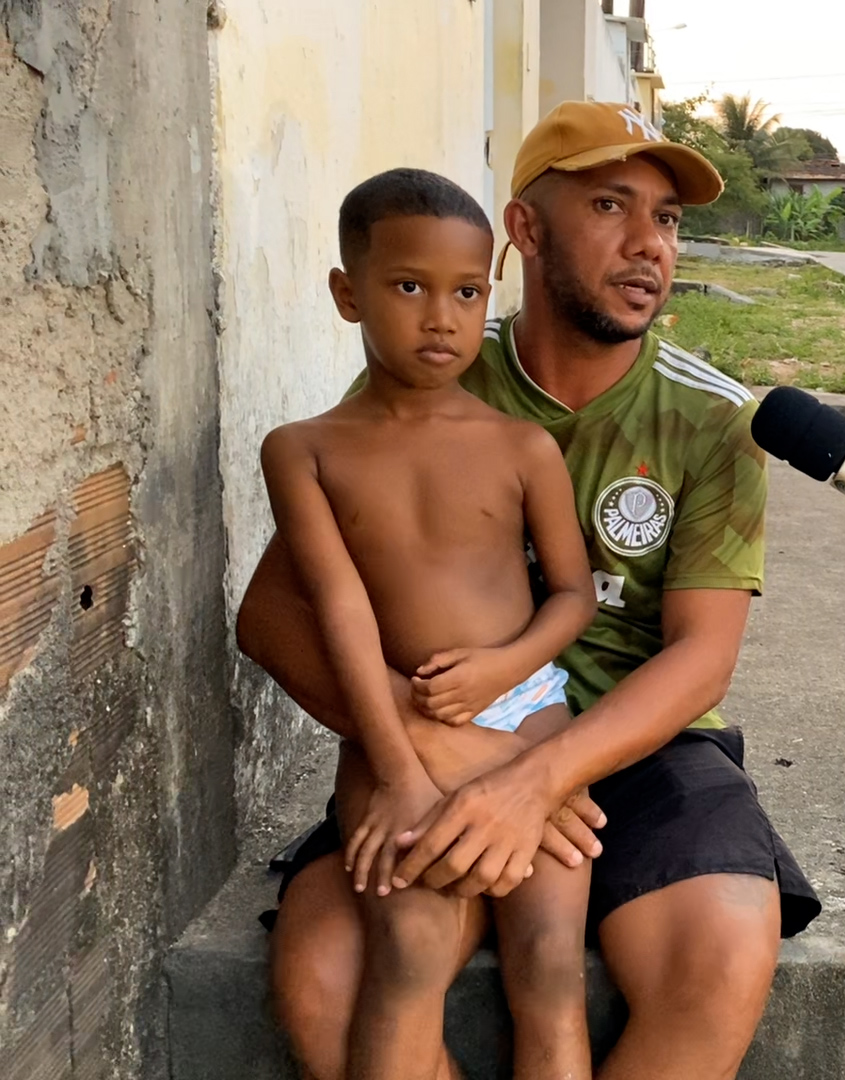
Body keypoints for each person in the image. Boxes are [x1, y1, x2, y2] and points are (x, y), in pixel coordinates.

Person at [238, 102, 820, 1080]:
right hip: (430, 733)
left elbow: (700, 655)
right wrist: (439, 748)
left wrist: (535, 782)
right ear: (526, 231)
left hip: (640, 747)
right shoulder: (437, 375)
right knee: (325, 978)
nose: (648, 245)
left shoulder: (712, 419)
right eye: (609, 205)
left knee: (719, 955)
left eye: (668, 219)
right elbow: (276, 615)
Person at [259, 166, 602, 1079]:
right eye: (408, 287)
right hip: (392, 726)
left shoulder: (522, 447)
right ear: (348, 294)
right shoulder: (303, 452)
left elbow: (574, 595)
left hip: (527, 715)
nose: (441, 317)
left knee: (551, 963)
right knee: (408, 946)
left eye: (466, 290)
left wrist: (505, 670)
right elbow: (338, 610)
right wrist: (403, 775)